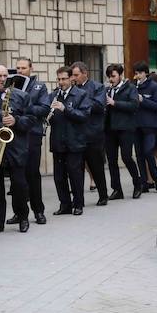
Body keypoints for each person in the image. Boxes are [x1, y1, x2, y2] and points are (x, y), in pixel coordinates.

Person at [0, 66, 34, 233]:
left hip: (16, 148)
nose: (2, 79)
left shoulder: (22, 96)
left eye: (5, 76)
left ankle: (22, 217)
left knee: (19, 186)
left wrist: (16, 120)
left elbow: (31, 120)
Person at [48, 66, 91, 215]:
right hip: (58, 141)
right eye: (59, 79)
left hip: (74, 141)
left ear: (71, 79)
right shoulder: (53, 95)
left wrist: (65, 109)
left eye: (64, 79)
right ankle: (64, 204)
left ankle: (78, 204)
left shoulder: (81, 95)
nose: (61, 82)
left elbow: (84, 116)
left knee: (75, 175)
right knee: (59, 177)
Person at [15, 57, 49, 224]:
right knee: (17, 176)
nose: (20, 71)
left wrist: (24, 106)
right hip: (15, 134)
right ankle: (19, 212)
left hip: (32, 133)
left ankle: (38, 211)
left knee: (32, 174)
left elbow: (44, 108)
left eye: (23, 68)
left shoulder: (39, 86)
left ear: (31, 68)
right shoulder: (12, 84)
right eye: (18, 68)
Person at [70, 62, 109, 206]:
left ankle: (103, 195)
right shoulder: (72, 88)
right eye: (72, 75)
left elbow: (99, 106)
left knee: (96, 167)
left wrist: (80, 98)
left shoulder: (97, 87)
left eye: (76, 75)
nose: (73, 78)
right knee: (76, 170)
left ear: (85, 73)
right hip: (76, 135)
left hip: (93, 134)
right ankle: (78, 200)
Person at [104, 63, 143, 200]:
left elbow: (134, 105)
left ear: (120, 75)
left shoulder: (130, 88)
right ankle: (117, 190)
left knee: (126, 157)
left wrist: (114, 103)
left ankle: (138, 184)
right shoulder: (108, 90)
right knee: (112, 160)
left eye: (113, 76)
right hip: (110, 130)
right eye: (109, 76)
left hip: (126, 128)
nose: (111, 79)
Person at [133, 62, 157, 192]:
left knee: (148, 151)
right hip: (136, 125)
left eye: (140, 73)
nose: (138, 76)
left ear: (146, 73)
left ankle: (156, 179)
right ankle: (144, 183)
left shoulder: (153, 87)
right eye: (136, 73)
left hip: (150, 125)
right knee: (139, 155)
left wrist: (143, 100)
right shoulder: (132, 86)